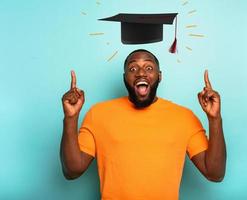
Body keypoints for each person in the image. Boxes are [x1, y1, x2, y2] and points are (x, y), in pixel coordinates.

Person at [60, 49, 226, 200]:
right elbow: (72, 171)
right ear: (124, 77)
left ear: (159, 76)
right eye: (132, 69)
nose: (140, 73)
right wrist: (70, 118)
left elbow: (215, 173)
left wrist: (215, 119)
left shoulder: (184, 117)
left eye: (148, 68)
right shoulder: (98, 114)